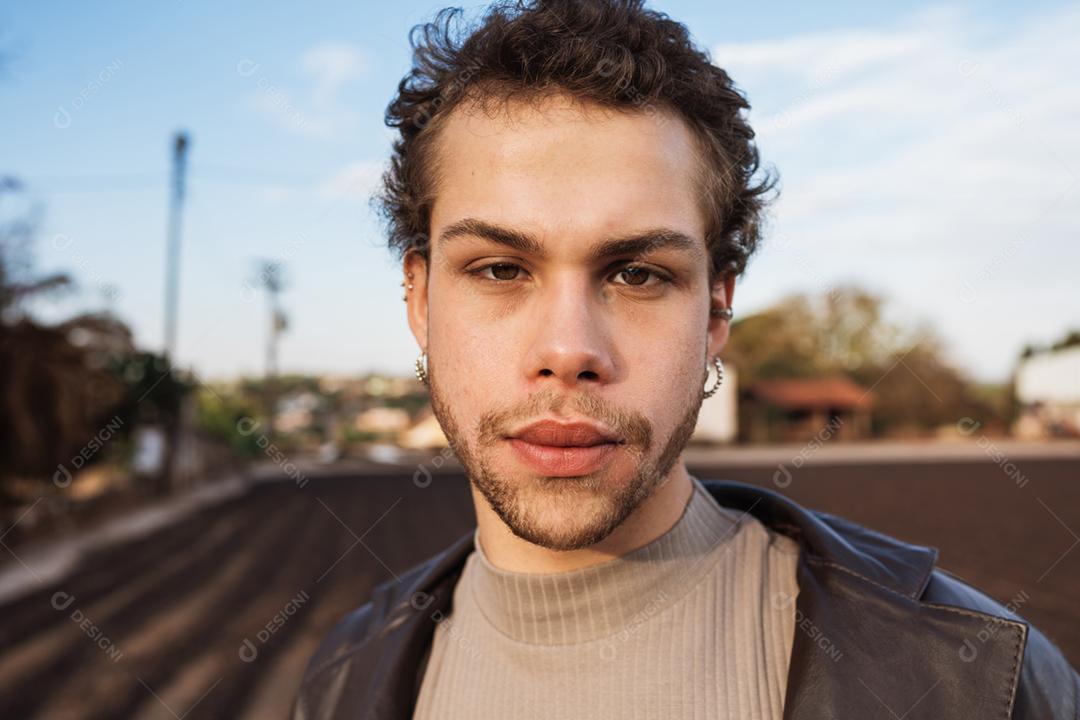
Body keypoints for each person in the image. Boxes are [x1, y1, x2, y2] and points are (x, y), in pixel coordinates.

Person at [291, 1, 1080, 718]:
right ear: (420, 301)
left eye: (637, 274)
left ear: (714, 311)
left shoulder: (980, 683)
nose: (569, 351)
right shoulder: (341, 685)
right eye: (500, 269)